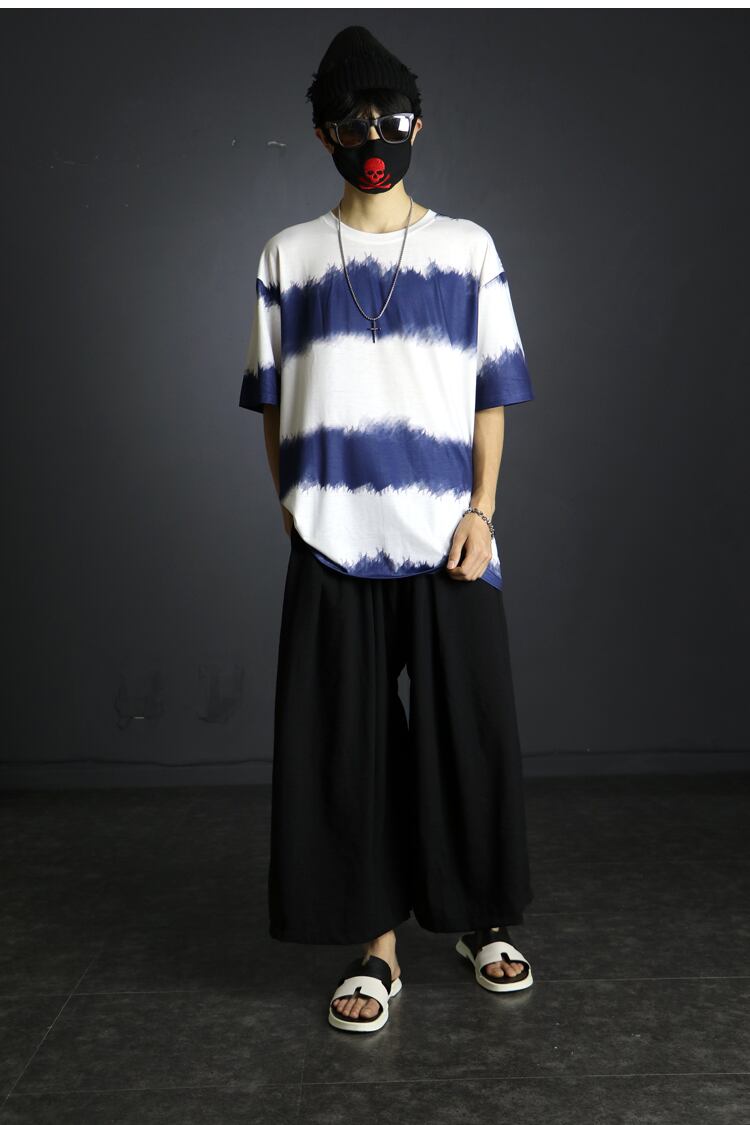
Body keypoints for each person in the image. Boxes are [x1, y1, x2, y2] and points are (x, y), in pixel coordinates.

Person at [238, 25, 536, 1033]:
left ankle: (482, 919)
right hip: (332, 540)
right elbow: (273, 402)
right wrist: (293, 504)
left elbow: (492, 393)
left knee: (468, 738)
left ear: (420, 123)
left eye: (392, 117)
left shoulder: (467, 248)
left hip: (450, 538)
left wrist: (483, 511)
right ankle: (377, 947)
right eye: (354, 121)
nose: (376, 137)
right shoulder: (288, 256)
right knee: (347, 751)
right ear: (323, 134)